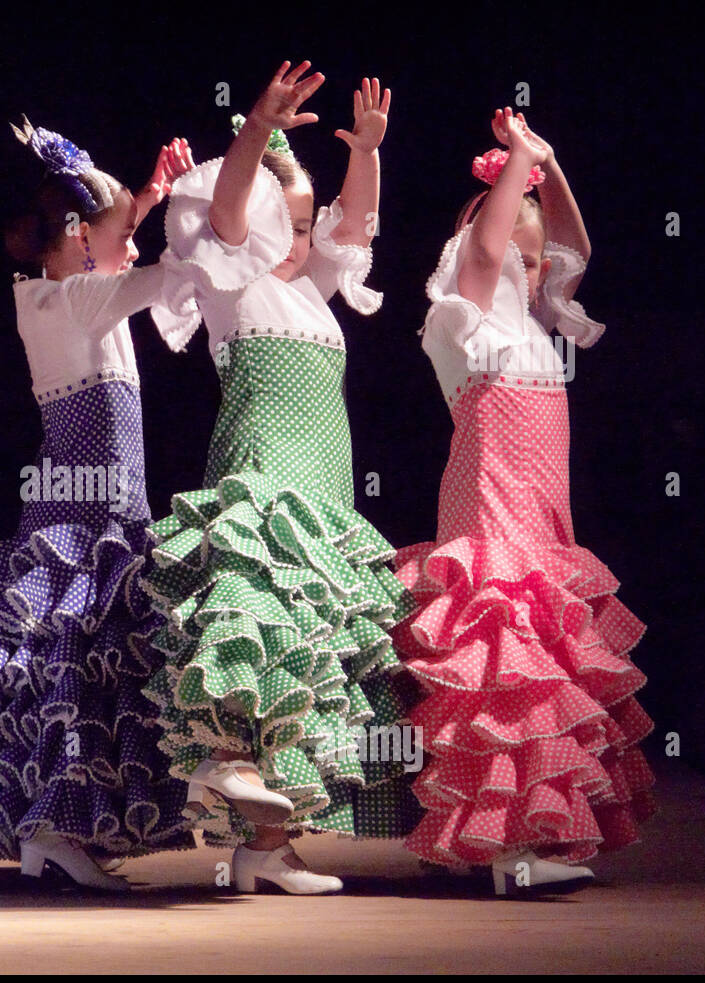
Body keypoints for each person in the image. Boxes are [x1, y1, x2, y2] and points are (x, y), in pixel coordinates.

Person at [142, 62, 421, 895]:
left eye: (305, 224)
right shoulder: (235, 283)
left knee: (302, 658)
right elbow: (228, 213)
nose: (302, 239)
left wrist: (365, 152)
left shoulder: (319, 294)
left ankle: (266, 847)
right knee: (250, 618)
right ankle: (224, 758)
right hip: (263, 469)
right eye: (287, 224)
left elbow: (358, 224)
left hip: (323, 482)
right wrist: (257, 128)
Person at [0, 120, 197, 889]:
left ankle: (61, 829)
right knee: (64, 664)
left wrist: (146, 197)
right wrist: (205, 214)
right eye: (124, 234)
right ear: (77, 239)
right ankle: (50, 826)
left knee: (84, 672)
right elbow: (159, 276)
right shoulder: (65, 302)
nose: (133, 244)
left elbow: (117, 254)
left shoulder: (71, 292)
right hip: (81, 517)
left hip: (108, 510)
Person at [392, 108, 654, 896]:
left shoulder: (533, 327)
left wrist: (549, 165)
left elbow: (576, 248)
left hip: (541, 529)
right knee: (505, 672)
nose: (535, 271)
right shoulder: (461, 319)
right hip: (492, 528)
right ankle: (506, 850)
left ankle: (529, 839)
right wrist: (514, 165)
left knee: (544, 675)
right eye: (523, 257)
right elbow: (483, 244)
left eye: (537, 264)